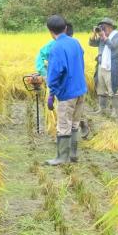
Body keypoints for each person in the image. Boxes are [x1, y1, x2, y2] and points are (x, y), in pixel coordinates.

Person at [44, 15, 87, 165]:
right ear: (66, 28)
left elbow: (55, 73)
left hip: (67, 93)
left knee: (64, 125)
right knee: (75, 123)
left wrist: (52, 94)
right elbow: (81, 63)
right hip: (80, 89)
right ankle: (73, 154)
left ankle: (62, 158)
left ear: (50, 31)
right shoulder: (75, 42)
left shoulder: (56, 47)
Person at [88, 18, 118, 116]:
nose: (103, 29)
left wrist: (104, 37)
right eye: (101, 27)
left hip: (111, 66)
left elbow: (113, 46)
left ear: (110, 27)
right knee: (101, 87)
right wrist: (94, 33)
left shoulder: (116, 35)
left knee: (113, 87)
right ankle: (102, 109)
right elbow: (91, 44)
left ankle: (116, 111)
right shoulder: (101, 36)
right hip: (101, 65)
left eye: (104, 27)